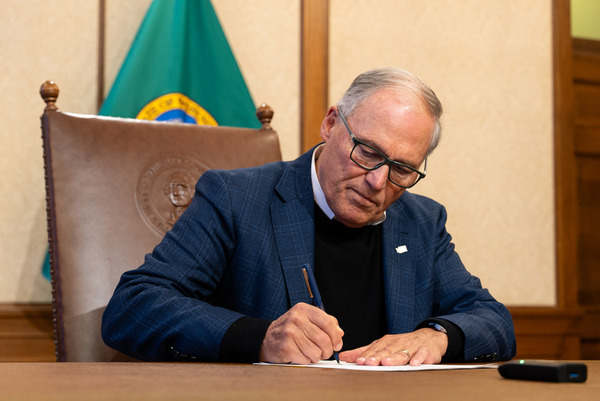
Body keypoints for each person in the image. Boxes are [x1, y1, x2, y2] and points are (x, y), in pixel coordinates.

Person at [101, 67, 516, 365]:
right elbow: (134, 307)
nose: (377, 182)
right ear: (331, 123)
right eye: (367, 152)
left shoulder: (422, 222)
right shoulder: (236, 198)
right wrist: (259, 338)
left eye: (403, 169)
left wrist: (438, 336)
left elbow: (493, 320)